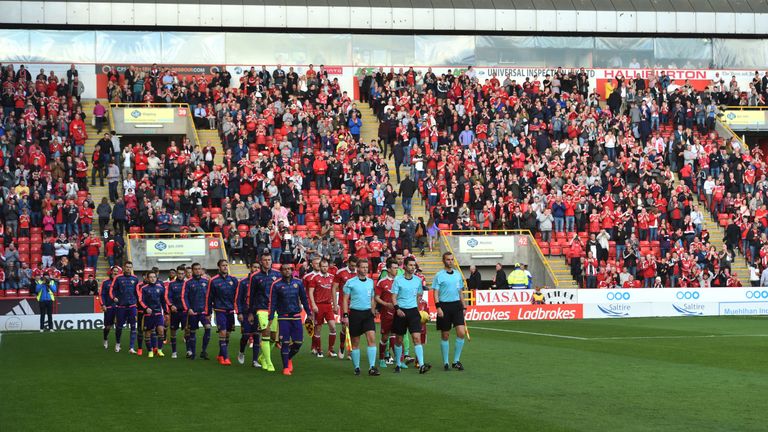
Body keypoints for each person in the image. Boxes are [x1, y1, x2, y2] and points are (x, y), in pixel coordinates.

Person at [268, 263, 312, 376]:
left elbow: (304, 299)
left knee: (298, 343)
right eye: (285, 269)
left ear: (292, 270)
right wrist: (271, 317)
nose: (287, 271)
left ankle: (288, 358)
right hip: (283, 317)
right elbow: (272, 302)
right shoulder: (276, 285)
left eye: (289, 269)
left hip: (296, 317)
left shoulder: (298, 282)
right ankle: (286, 367)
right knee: (285, 343)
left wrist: (309, 313)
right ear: (281, 271)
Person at [391, 256, 431, 374]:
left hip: (413, 312)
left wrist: (417, 308)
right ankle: (398, 363)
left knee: (417, 338)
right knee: (399, 339)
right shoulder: (398, 280)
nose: (413, 267)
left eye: (414, 265)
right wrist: (397, 309)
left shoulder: (418, 280)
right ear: (405, 266)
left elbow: (419, 294)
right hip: (401, 311)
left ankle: (422, 365)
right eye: (411, 265)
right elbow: (393, 297)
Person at [342, 259, 381, 376]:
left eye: (366, 267)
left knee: (372, 338)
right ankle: (357, 367)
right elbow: (345, 299)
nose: (365, 269)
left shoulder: (371, 282)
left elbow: (373, 298)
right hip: (355, 314)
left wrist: (373, 309)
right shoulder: (350, 282)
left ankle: (372, 367)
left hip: (368, 314)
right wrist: (345, 315)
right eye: (362, 267)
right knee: (355, 342)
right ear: (357, 268)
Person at [431, 252, 466, 371]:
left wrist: (464, 306)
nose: (450, 261)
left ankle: (456, 361)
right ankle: (446, 362)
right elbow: (435, 292)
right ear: (443, 260)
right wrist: (438, 307)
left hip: (456, 306)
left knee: (461, 332)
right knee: (445, 335)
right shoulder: (439, 275)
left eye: (452, 259)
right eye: (448, 259)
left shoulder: (457, 275)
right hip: (444, 306)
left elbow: (460, 291)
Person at [249, 253, 281, 371]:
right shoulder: (255, 277)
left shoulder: (277, 274)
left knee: (273, 338)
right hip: (261, 309)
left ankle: (262, 357)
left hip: (275, 309)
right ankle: (269, 363)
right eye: (265, 260)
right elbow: (251, 295)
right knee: (266, 333)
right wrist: (251, 312)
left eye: (269, 260)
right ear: (261, 262)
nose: (267, 262)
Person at [207, 259, 239, 366]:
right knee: (223, 332)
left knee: (228, 334)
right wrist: (208, 312)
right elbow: (209, 297)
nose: (225, 267)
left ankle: (221, 354)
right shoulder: (214, 280)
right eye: (223, 265)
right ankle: (225, 358)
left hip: (230, 311)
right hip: (219, 310)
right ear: (219, 267)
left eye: (226, 265)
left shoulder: (233, 280)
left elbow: (237, 296)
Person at [181, 262, 212, 360]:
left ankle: (203, 351)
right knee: (192, 332)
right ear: (193, 270)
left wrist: (209, 311)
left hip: (204, 311)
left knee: (208, 328)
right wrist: (188, 308)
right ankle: (192, 353)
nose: (198, 270)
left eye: (199, 269)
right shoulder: (188, 282)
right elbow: (184, 297)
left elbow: (210, 297)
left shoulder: (206, 281)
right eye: (196, 269)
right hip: (193, 312)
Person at [308, 259, 337, 358]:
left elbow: (334, 290)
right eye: (323, 266)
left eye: (326, 266)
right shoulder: (314, 278)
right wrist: (313, 305)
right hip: (318, 306)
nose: (325, 268)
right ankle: (319, 350)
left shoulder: (332, 278)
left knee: (333, 327)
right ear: (320, 267)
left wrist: (335, 304)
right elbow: (310, 292)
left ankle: (331, 349)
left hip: (328, 306)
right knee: (318, 329)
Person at [109, 261, 140, 353]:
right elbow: (111, 290)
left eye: (130, 267)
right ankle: (118, 344)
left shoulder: (135, 278)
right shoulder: (118, 278)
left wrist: (138, 304)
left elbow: (137, 292)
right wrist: (113, 297)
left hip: (132, 306)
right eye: (127, 267)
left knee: (134, 326)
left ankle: (131, 347)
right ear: (123, 267)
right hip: (121, 306)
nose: (128, 268)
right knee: (119, 326)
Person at [332, 255, 358, 359]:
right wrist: (335, 304)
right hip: (344, 304)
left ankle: (350, 351)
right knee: (345, 326)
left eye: (355, 266)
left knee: (354, 328)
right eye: (352, 265)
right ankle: (342, 345)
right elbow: (334, 287)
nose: (353, 268)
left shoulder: (358, 272)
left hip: (356, 304)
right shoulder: (340, 272)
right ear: (348, 263)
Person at [375, 258, 398, 369]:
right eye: (394, 268)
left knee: (396, 335)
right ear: (388, 269)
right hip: (386, 312)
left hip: (398, 312)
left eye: (397, 268)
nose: (396, 270)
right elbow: (376, 298)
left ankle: (399, 360)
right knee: (385, 336)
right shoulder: (382, 282)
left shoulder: (400, 280)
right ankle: (381, 359)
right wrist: (386, 304)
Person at [138, 270, 167, 358]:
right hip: (148, 314)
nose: (152, 279)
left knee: (161, 331)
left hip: (158, 313)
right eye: (150, 277)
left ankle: (159, 350)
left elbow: (163, 301)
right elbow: (140, 300)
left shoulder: (161, 288)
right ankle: (150, 351)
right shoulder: (143, 288)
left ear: (156, 278)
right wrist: (146, 308)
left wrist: (165, 312)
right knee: (148, 333)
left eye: (154, 277)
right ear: (147, 278)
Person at [236, 262, 259, 366]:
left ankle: (255, 360)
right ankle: (241, 352)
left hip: (258, 312)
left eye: (258, 267)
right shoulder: (243, 282)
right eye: (254, 267)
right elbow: (238, 298)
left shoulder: (261, 281)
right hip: (245, 313)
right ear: (250, 268)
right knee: (245, 336)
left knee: (257, 336)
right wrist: (239, 312)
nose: (257, 269)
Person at [165, 266, 187, 358]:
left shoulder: (187, 283)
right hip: (175, 311)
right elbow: (167, 296)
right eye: (179, 273)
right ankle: (174, 352)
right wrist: (171, 305)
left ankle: (189, 350)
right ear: (176, 274)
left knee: (188, 330)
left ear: (184, 274)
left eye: (182, 274)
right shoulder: (171, 284)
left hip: (185, 311)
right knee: (173, 331)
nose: (180, 275)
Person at [99, 266, 119, 349]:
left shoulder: (120, 282)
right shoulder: (105, 282)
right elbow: (101, 294)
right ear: (111, 272)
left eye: (117, 271)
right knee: (108, 326)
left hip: (119, 307)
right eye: (114, 271)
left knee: (119, 326)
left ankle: (118, 343)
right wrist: (103, 304)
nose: (115, 272)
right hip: (109, 307)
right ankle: (105, 339)